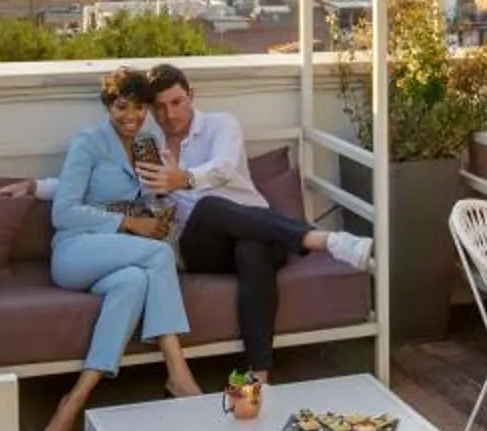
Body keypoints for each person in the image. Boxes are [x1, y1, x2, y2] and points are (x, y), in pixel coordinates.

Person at [137, 62, 372, 381]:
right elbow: (151, 201)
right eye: (160, 108)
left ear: (191, 96)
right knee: (208, 207)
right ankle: (323, 240)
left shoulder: (222, 125)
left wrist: (184, 179)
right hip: (203, 246)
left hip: (259, 231)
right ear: (151, 110)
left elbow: (223, 168)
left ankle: (258, 377)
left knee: (252, 249)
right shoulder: (149, 146)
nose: (170, 115)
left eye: (176, 102)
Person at [38, 68, 200, 431]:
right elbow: (63, 212)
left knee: (134, 283)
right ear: (108, 105)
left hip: (120, 256)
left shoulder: (146, 143)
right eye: (122, 107)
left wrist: (160, 213)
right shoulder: (88, 143)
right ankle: (178, 374)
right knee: (159, 256)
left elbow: (150, 197)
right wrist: (129, 223)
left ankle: (74, 399)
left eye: (140, 108)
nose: (132, 116)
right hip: (77, 250)